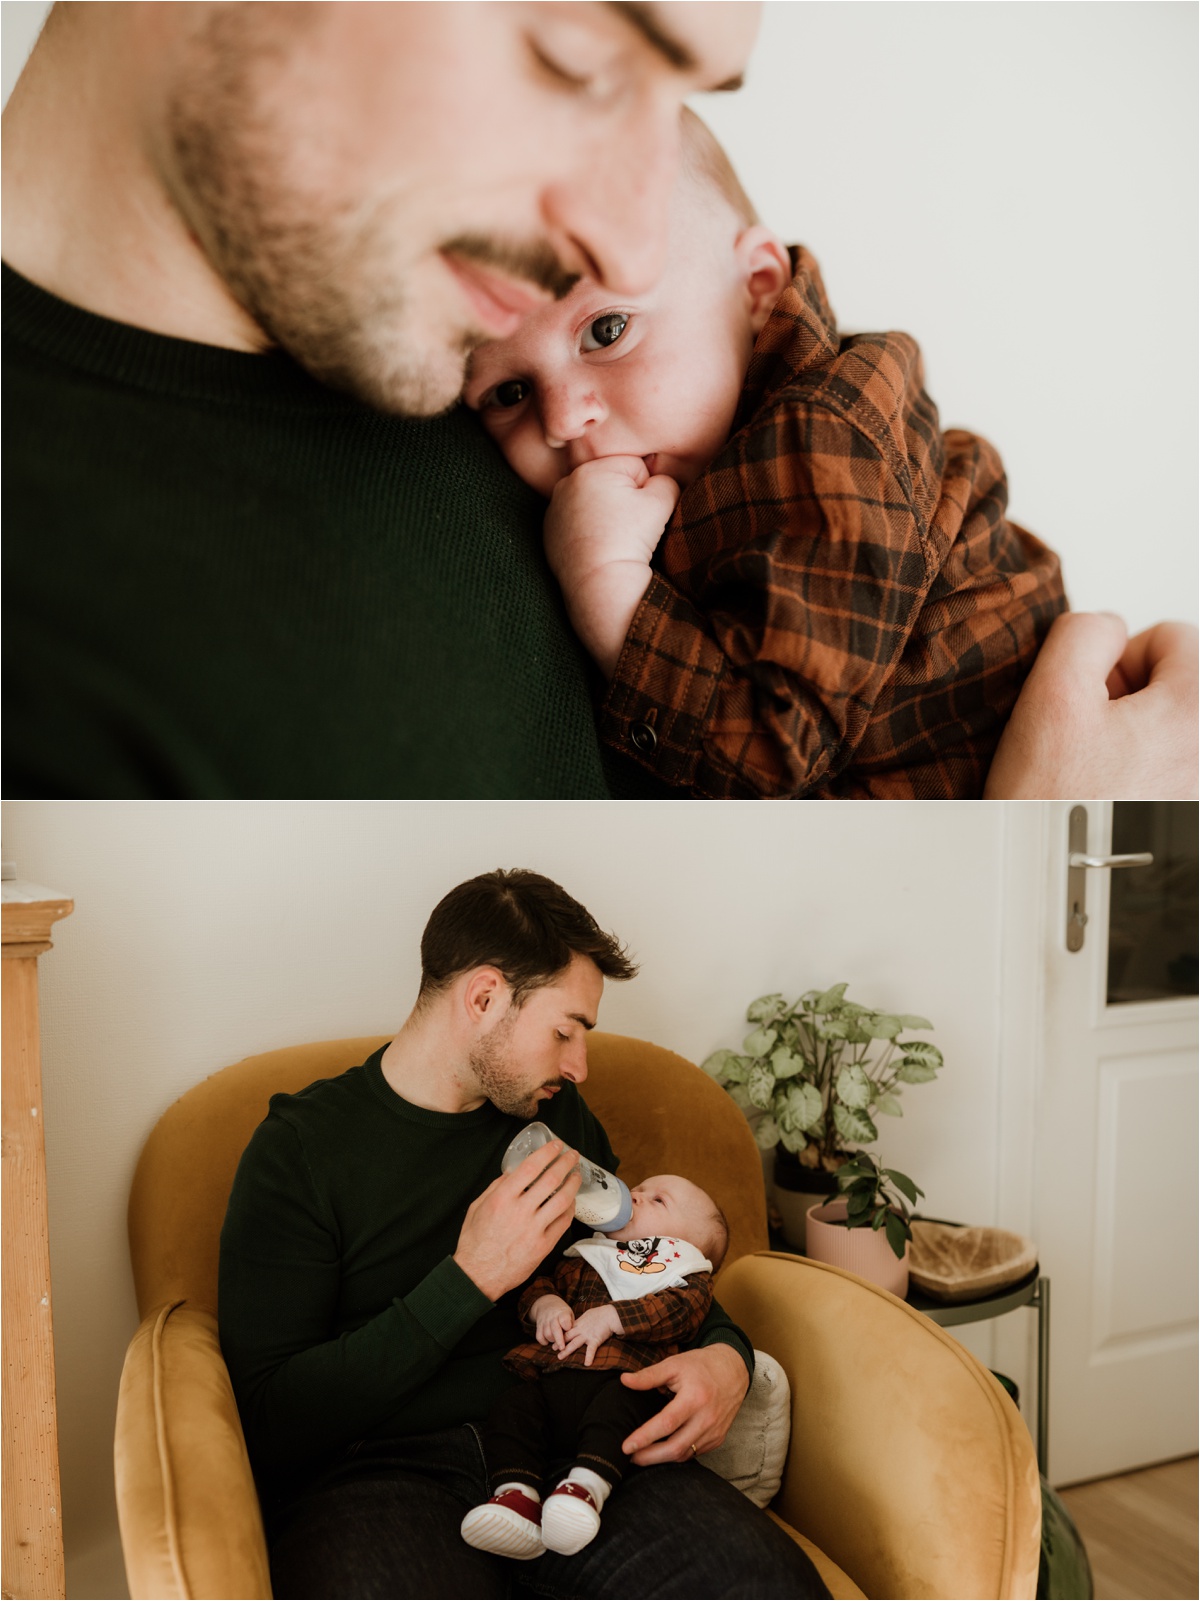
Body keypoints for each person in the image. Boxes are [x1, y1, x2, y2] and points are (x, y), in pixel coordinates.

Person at [2, 4, 1193, 800]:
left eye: (679, 97)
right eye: (575, 53)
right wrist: (1060, 848)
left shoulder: (659, 411)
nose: (624, 242)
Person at [218, 868, 829, 1599]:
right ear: (483, 997)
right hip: (383, 1474)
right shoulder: (302, 1150)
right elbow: (271, 1416)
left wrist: (728, 1355)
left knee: (765, 1583)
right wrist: (468, 1279)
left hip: (580, 1447)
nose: (579, 1066)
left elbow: (640, 1263)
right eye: (564, 1031)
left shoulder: (555, 1120)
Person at [465, 110, 1068, 798]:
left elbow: (771, 759)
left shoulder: (822, 438)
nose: (564, 420)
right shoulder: (708, 444)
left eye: (607, 329)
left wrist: (607, 585)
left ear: (756, 288)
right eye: (509, 389)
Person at [462, 1176, 728, 1560]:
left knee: (620, 1411)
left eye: (658, 1200)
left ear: (683, 1244)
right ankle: (516, 1497)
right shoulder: (585, 1256)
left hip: (619, 1382)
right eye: (639, 1187)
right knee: (512, 1408)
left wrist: (613, 1318)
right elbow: (538, 1286)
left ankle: (586, 1488)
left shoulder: (684, 1276)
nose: (636, 1194)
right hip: (551, 1384)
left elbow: (680, 1314)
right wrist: (546, 1306)